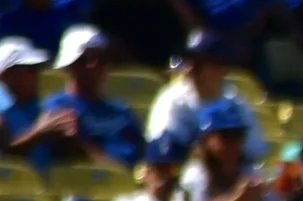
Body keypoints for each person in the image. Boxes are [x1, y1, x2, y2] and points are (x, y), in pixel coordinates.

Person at [30, 25, 143, 168]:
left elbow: (129, 162)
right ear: (69, 65)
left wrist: (81, 144)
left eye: (102, 58)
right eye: (85, 59)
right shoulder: (54, 108)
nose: (94, 65)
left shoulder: (121, 113)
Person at [149, 30, 268, 163]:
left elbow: (256, 150)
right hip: (187, 176)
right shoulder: (171, 100)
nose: (190, 70)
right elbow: (163, 151)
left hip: (232, 175)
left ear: (220, 68)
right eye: (188, 63)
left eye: (198, 65)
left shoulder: (236, 103)